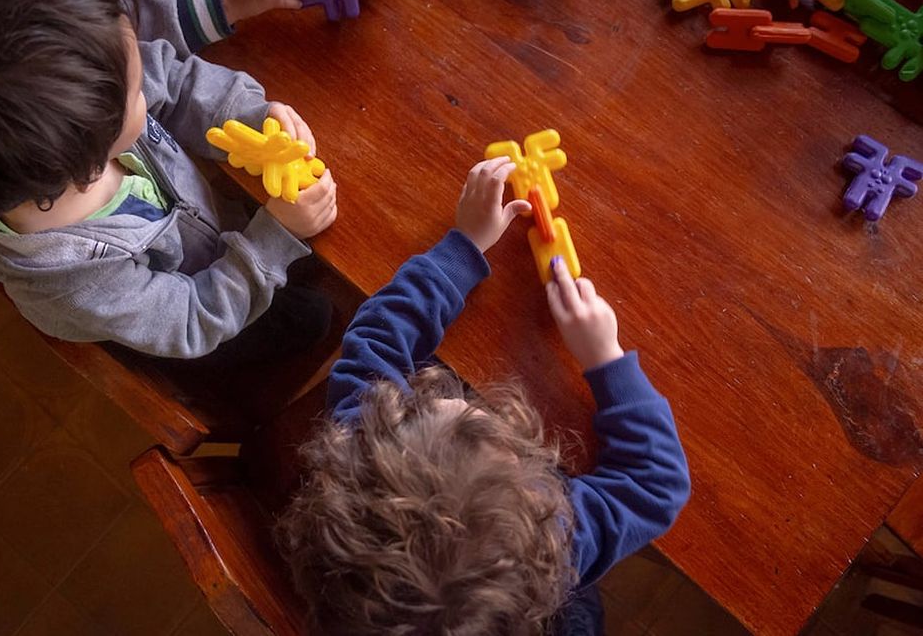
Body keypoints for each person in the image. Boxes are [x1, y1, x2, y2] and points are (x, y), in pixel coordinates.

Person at [277, 156, 691, 635]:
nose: (463, 400)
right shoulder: (552, 541)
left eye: (424, 408)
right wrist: (606, 359)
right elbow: (656, 481)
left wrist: (464, 247)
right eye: (478, 423)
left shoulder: (359, 439)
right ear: (534, 500)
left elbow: (379, 337)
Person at [0, 0, 336, 358]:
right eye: (137, 93)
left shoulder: (66, 124)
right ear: (90, 159)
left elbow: (172, 81)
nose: (147, 80)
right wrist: (273, 240)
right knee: (313, 317)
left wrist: (241, 118)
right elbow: (191, 320)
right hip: (207, 315)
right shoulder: (74, 282)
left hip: (225, 231)